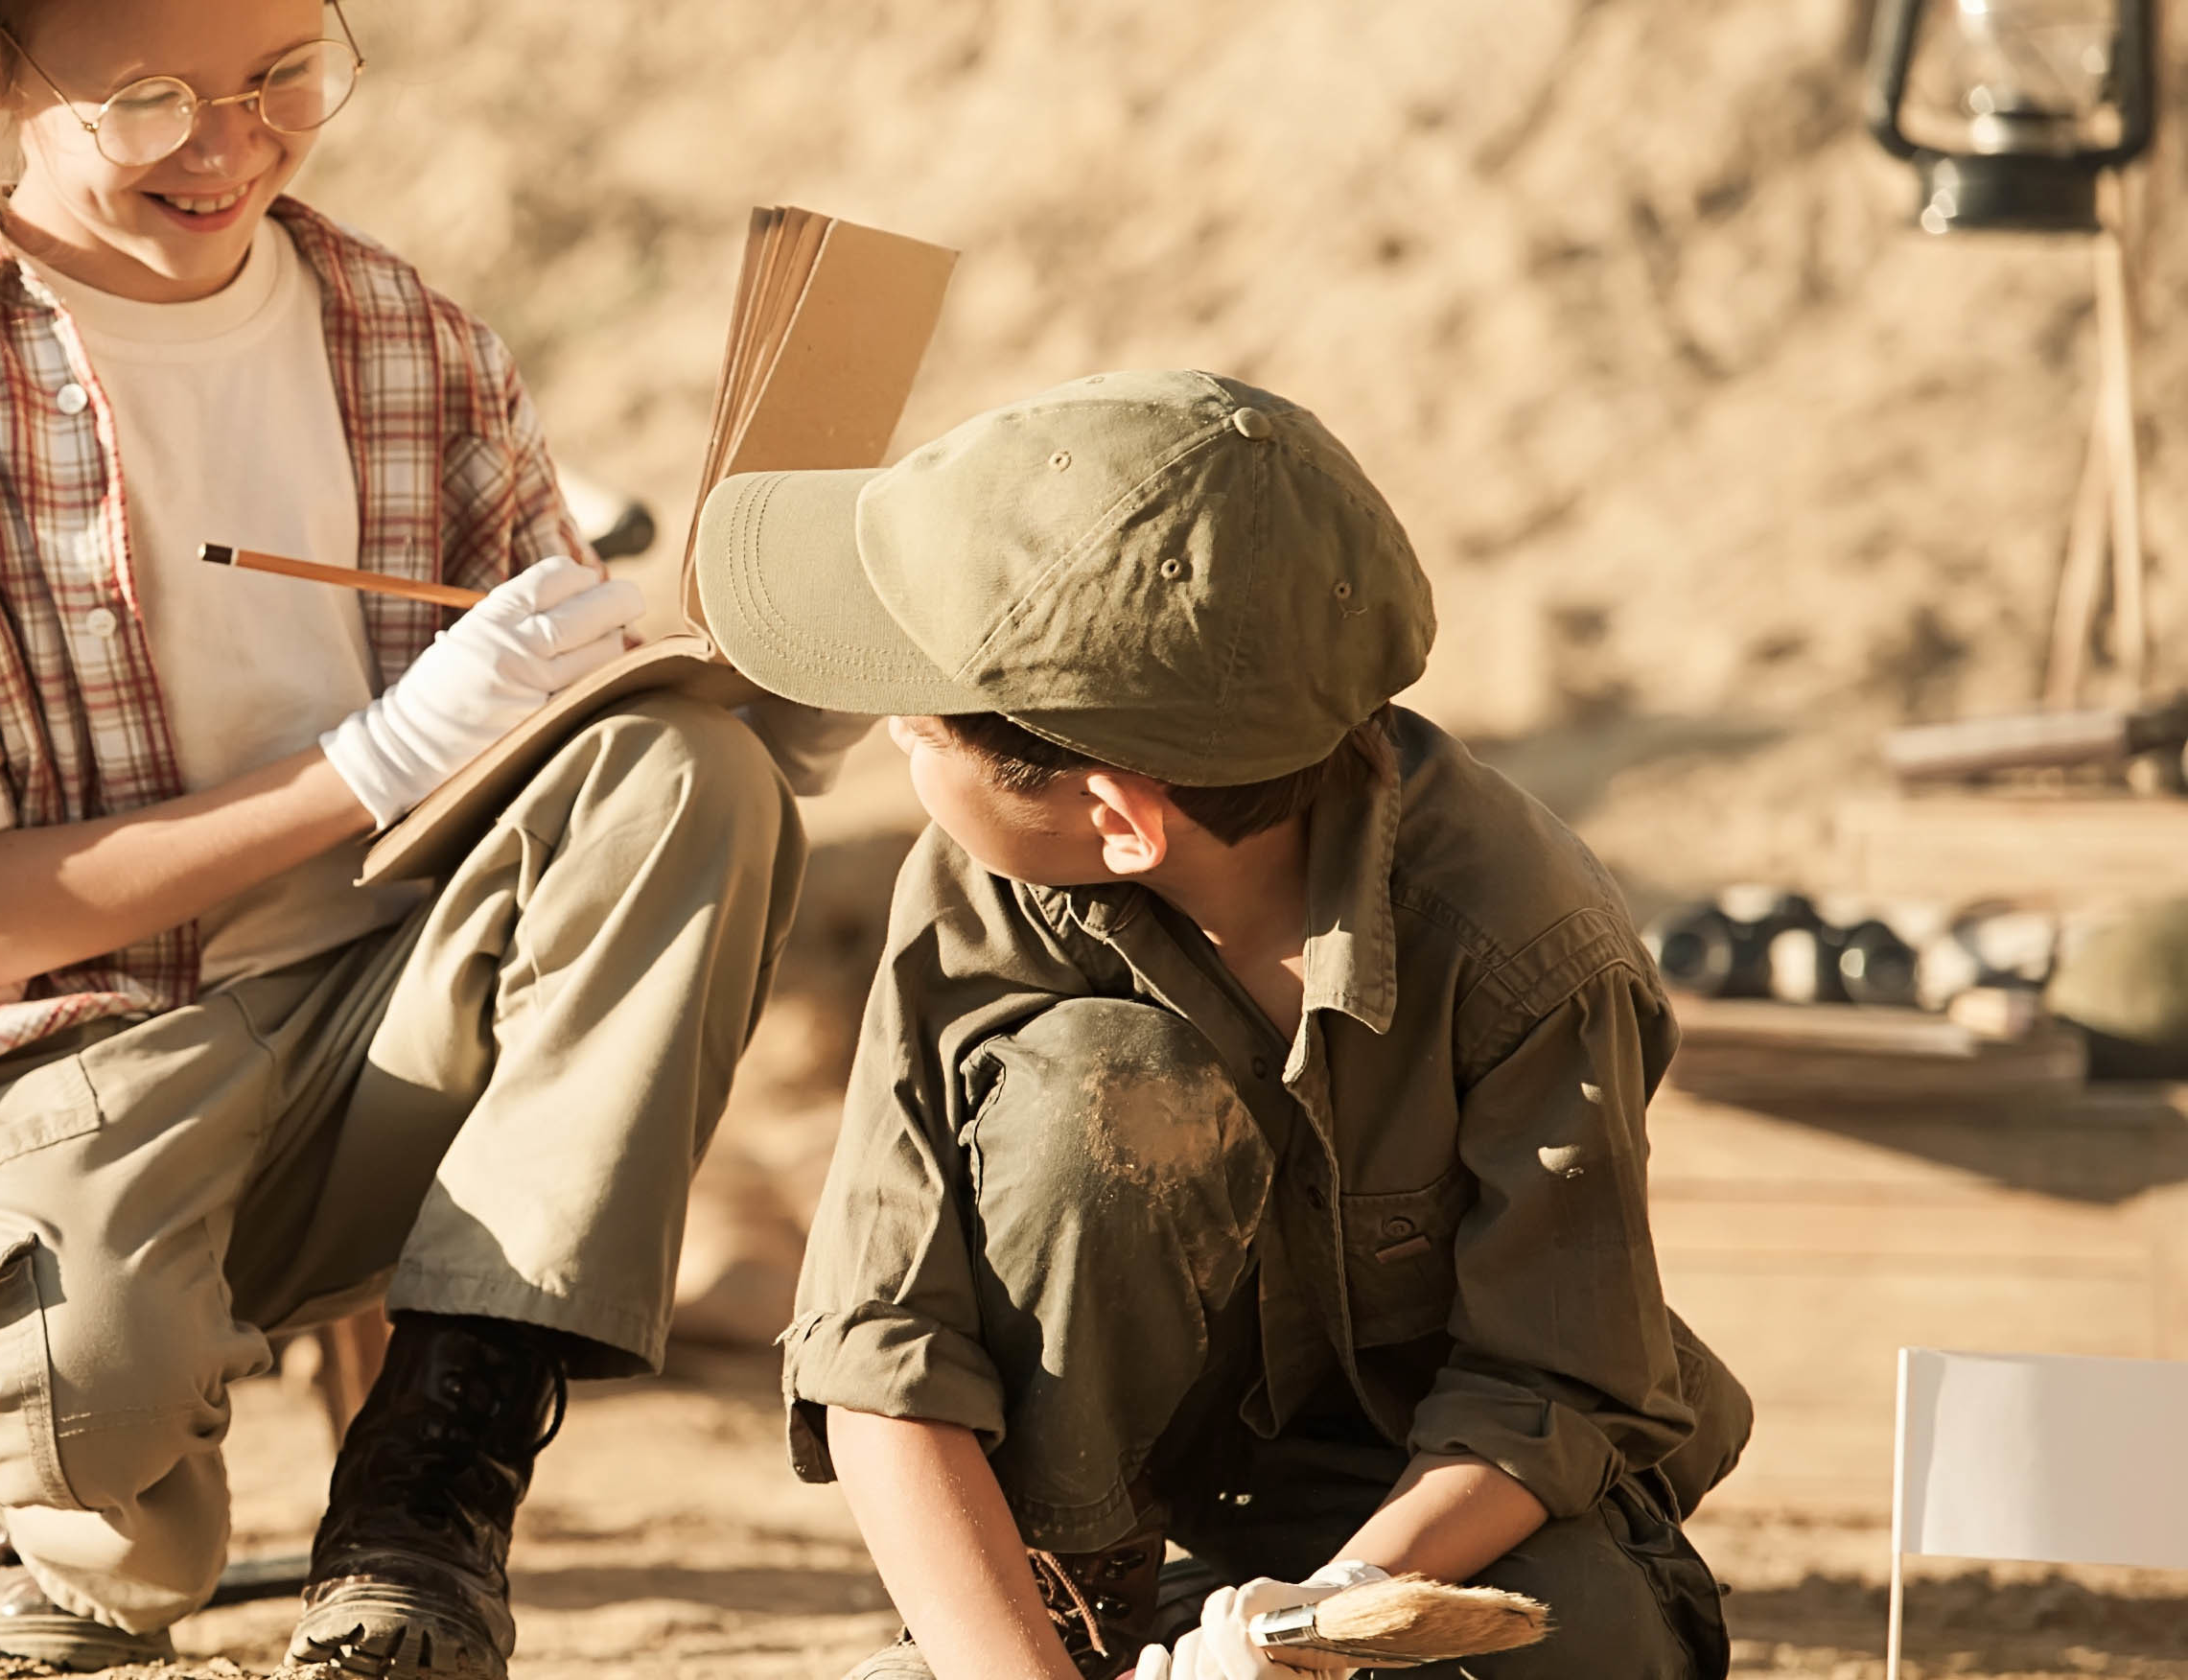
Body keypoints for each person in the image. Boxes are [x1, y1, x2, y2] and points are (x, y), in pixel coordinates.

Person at [0, 1, 806, 1674]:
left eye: (283, 79)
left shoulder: (411, 340)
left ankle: (427, 1497)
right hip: (78, 1060)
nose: (232, 146)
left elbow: (576, 787)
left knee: (692, 780)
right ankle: (70, 1540)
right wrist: (369, 759)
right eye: (153, 99)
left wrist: (713, 668)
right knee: (78, 1405)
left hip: (396, 1036)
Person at [686, 371, 1751, 1680]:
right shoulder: (981, 886)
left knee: (1597, 1645)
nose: (898, 747)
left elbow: (1548, 1392)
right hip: (1083, 1544)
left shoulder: (1530, 947)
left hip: (1420, 1522)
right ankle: (1072, 1618)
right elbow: (883, 1357)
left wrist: (1314, 1628)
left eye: (917, 730)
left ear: (1122, 821)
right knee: (1101, 1087)